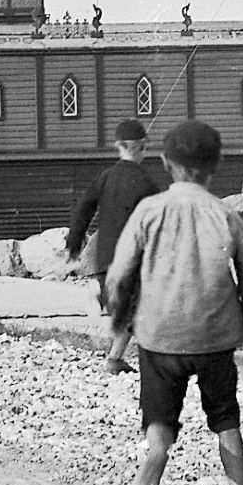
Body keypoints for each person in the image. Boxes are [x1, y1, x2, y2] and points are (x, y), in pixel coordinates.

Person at [101, 120, 243, 485]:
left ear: (164, 162)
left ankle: (157, 455)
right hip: (215, 336)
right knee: (226, 418)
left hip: (159, 336)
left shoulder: (149, 210)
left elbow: (118, 275)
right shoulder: (225, 214)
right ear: (215, 167)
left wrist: (121, 319)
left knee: (159, 413)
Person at [67, 119, 160, 374]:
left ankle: (101, 296)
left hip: (103, 255)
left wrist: (74, 243)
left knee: (126, 308)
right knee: (134, 310)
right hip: (130, 259)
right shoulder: (146, 183)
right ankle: (115, 357)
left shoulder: (106, 177)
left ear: (119, 147)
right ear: (141, 147)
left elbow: (84, 208)